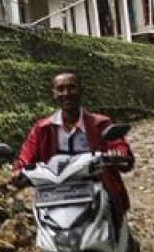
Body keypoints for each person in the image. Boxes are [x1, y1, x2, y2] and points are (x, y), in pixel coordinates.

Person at [13, 69, 135, 223]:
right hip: (56, 194)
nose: (66, 93)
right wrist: (18, 171)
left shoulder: (100, 124)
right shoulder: (42, 129)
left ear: (81, 90)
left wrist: (118, 154)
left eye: (71, 87)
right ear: (54, 93)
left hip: (96, 188)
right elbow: (27, 155)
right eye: (60, 89)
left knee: (113, 217)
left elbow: (118, 145)